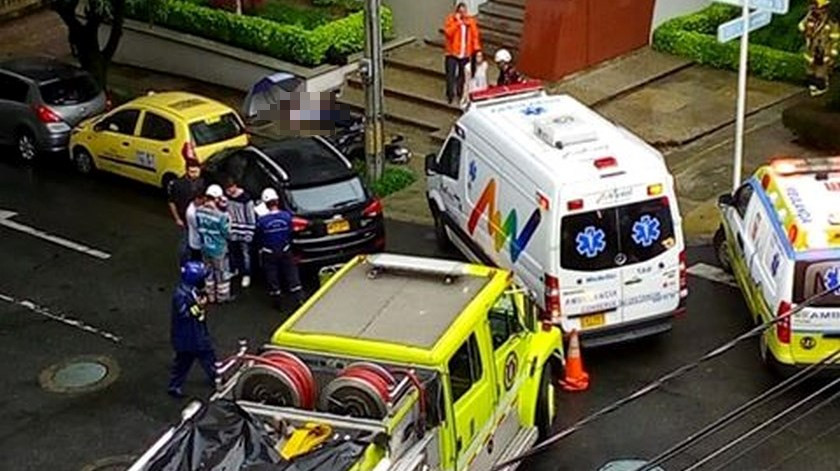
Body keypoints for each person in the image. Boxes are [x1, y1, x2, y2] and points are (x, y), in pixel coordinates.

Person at [168, 260, 216, 398]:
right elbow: (184, 314)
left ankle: (215, 377)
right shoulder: (181, 295)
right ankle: (174, 386)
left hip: (197, 333)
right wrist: (199, 307)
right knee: (186, 363)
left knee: (207, 357)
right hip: (189, 338)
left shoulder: (192, 290)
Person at [255, 188, 304, 306]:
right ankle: (298, 297)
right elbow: (291, 231)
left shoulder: (262, 221)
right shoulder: (286, 216)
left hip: (269, 252)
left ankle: (277, 299)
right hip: (285, 249)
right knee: (291, 272)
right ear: (277, 201)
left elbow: (258, 236)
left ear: (265, 204)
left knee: (272, 275)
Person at [196, 184, 232, 303]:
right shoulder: (221, 216)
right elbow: (227, 233)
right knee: (221, 273)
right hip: (218, 249)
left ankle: (210, 295)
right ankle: (222, 297)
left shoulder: (199, 211)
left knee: (208, 272)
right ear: (217, 198)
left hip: (205, 247)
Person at [167, 159, 205, 264]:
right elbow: (171, 202)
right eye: (191, 172)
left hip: (200, 218)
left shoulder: (202, 182)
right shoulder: (178, 184)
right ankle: (184, 263)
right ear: (186, 170)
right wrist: (177, 218)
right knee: (185, 244)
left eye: (196, 171)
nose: (194, 174)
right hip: (184, 219)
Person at [443, 2, 482, 104]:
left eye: (464, 12)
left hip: (465, 53)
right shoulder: (451, 19)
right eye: (460, 12)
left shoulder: (470, 22)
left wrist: (477, 49)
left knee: (462, 75)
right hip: (452, 52)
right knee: (450, 75)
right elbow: (448, 33)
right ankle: (450, 95)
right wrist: (458, 23)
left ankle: (460, 93)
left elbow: (475, 36)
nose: (462, 14)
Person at [223, 177, 256, 288]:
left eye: (230, 188)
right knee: (233, 253)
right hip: (232, 232)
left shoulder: (246, 199)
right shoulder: (227, 198)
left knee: (245, 254)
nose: (229, 192)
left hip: (244, 232)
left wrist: (249, 233)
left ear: (235, 186)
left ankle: (247, 274)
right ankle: (235, 269)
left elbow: (251, 218)